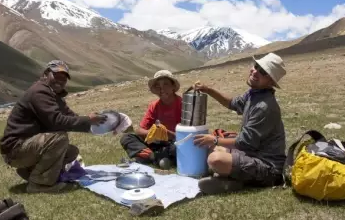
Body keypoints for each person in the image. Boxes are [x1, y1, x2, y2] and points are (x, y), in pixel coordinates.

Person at [0, 60, 107, 193]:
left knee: (71, 152)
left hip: (26, 147)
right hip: (15, 149)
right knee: (58, 138)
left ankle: (30, 172)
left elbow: (71, 117)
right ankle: (39, 184)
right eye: (56, 76)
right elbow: (56, 121)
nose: (60, 81)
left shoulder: (54, 96)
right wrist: (88, 120)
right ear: (45, 74)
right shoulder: (39, 92)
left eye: (64, 78)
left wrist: (100, 125)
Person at [193, 53, 287, 194]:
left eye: (263, 72)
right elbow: (232, 103)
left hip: (268, 167)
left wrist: (216, 139)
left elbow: (244, 142)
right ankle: (232, 179)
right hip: (250, 154)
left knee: (215, 159)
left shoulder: (264, 106)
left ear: (271, 82)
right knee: (211, 149)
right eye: (256, 66)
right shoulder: (253, 94)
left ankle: (235, 182)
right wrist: (208, 90)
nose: (255, 71)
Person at [120, 70, 182, 166]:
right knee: (127, 137)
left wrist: (168, 134)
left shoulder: (183, 104)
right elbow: (139, 130)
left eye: (165, 84)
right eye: (158, 86)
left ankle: (148, 159)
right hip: (156, 143)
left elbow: (189, 135)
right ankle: (155, 157)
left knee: (177, 147)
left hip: (176, 142)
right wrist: (152, 133)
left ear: (173, 86)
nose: (162, 89)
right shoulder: (154, 105)